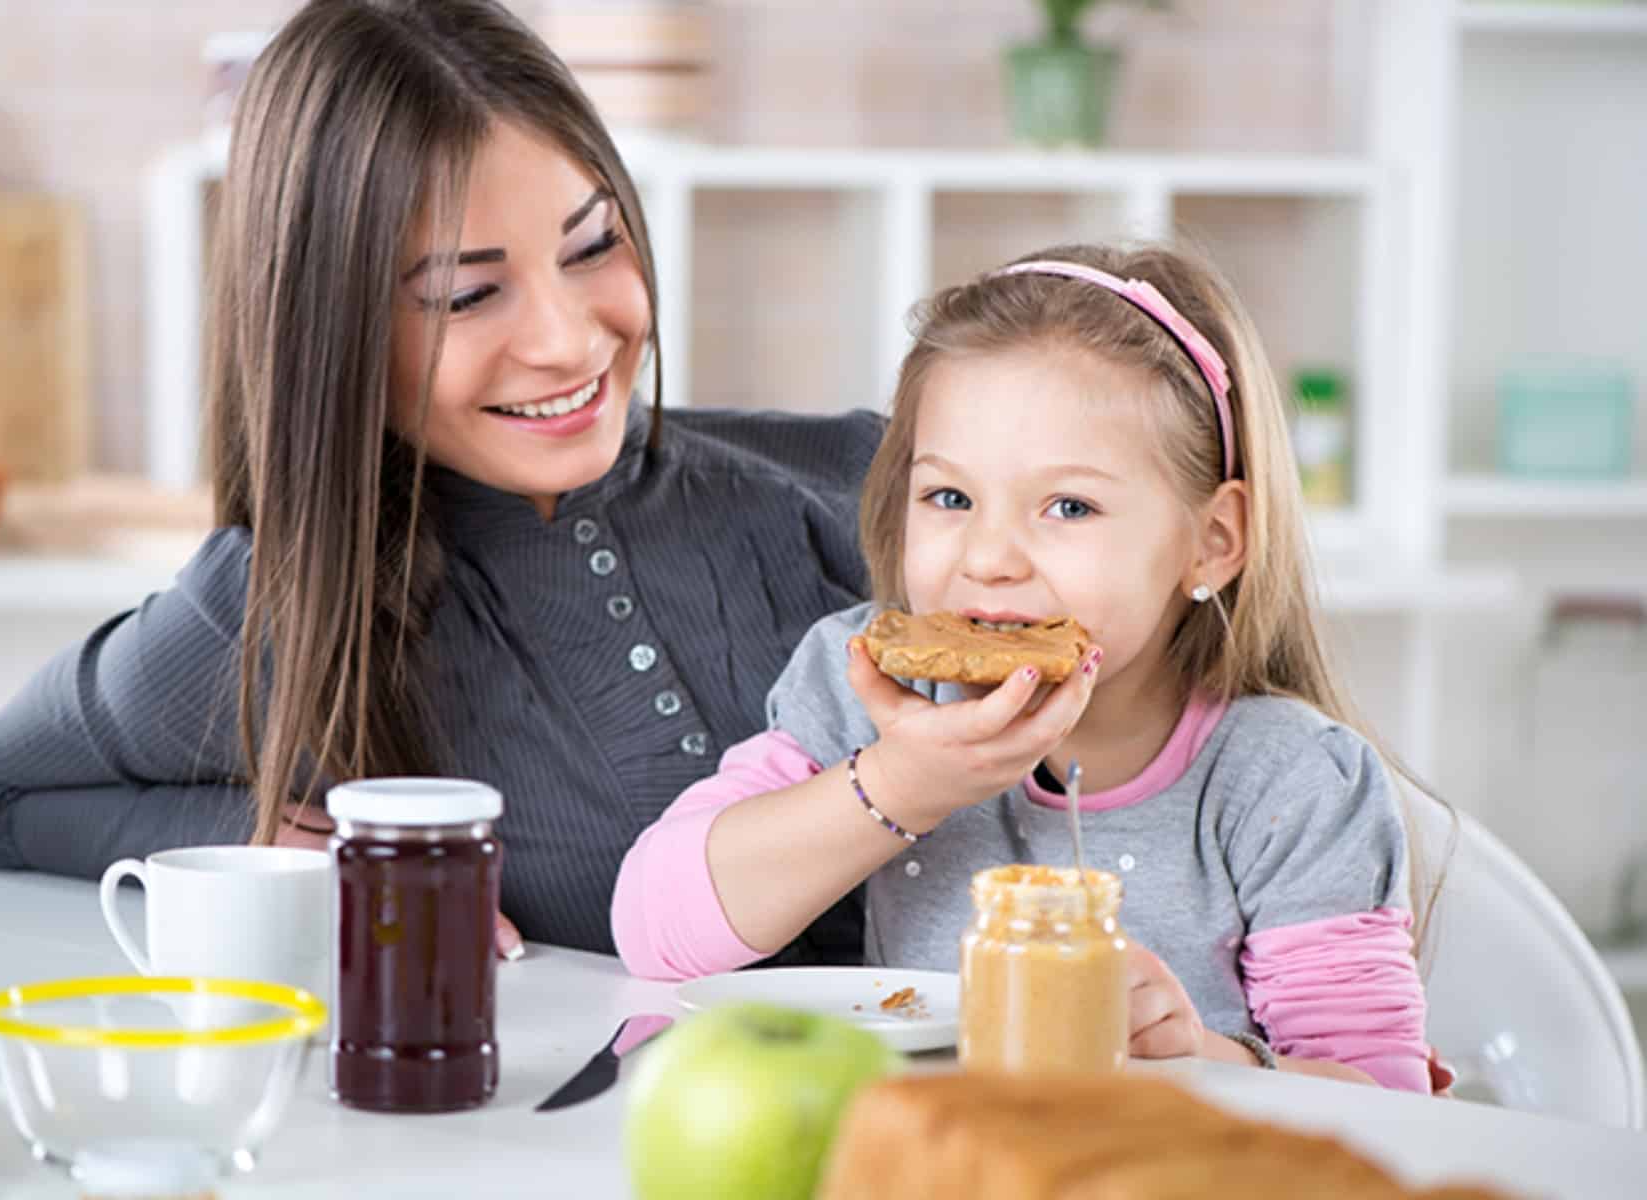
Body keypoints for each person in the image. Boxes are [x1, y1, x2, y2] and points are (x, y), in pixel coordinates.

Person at [0, 0, 880, 966]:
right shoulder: (287, 608)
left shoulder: (872, 485)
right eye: (467, 296)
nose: (568, 340)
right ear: (332, 335)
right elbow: (4, 798)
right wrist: (261, 840)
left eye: (593, 243)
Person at [611, 242, 1442, 1091]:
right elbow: (656, 929)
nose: (990, 556)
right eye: (950, 498)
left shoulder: (1290, 783)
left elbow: (1389, 1105)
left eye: (1068, 506)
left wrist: (1205, 1054)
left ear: (1212, 541)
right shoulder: (866, 685)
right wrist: (902, 784)